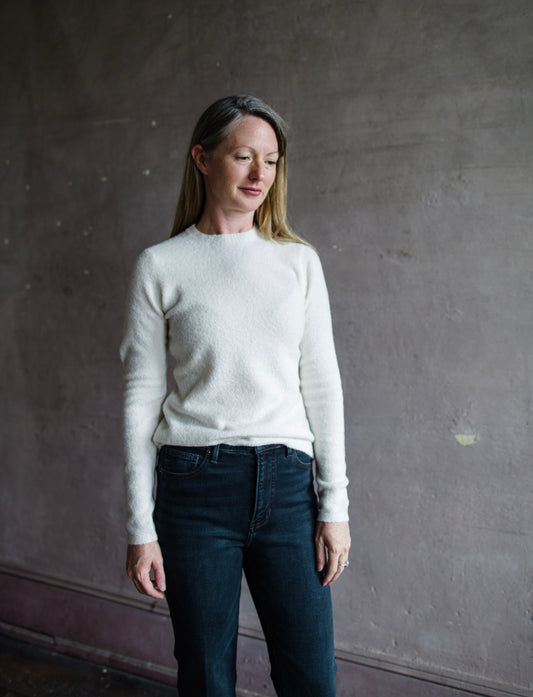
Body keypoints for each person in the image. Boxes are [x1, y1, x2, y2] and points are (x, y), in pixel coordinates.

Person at [120, 95, 350, 697]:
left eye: (271, 161)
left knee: (310, 680)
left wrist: (336, 507)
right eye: (244, 156)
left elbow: (322, 384)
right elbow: (142, 396)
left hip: (289, 485)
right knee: (206, 678)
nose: (259, 176)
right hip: (194, 487)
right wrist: (140, 524)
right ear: (202, 158)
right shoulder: (161, 265)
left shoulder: (297, 263)